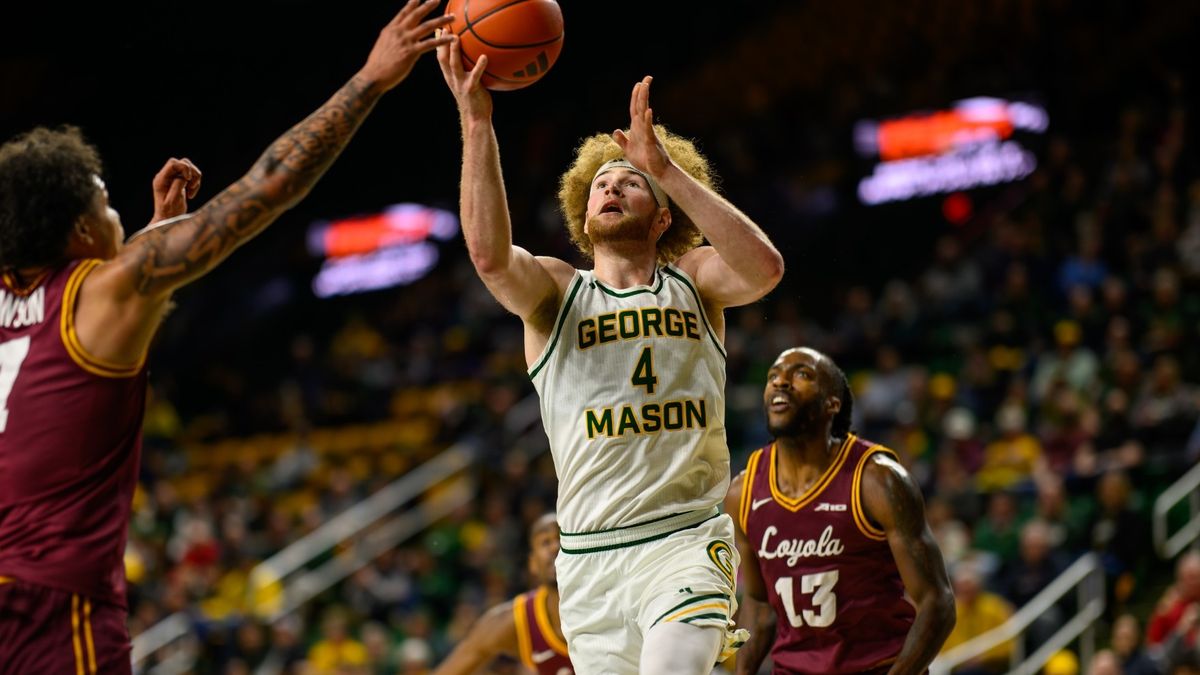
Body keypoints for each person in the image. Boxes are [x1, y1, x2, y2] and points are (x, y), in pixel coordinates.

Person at [0, 3, 454, 672]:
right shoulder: (106, 289)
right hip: (52, 608)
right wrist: (370, 80)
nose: (116, 214)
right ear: (77, 231)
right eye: (104, 204)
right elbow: (268, 187)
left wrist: (156, 230)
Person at [436, 37, 785, 674]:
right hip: (590, 560)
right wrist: (477, 121)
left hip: (684, 538)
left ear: (661, 218)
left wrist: (669, 170)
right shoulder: (556, 291)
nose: (613, 187)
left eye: (632, 181)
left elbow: (764, 269)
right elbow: (488, 256)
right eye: (602, 182)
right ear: (584, 208)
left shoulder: (695, 279)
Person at [728, 347, 956, 674]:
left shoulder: (877, 480)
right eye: (773, 377)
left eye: (802, 375)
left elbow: (938, 603)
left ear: (832, 403)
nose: (781, 383)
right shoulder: (743, 492)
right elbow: (759, 607)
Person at [433, 514, 573, 675]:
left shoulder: (606, 598)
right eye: (545, 542)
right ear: (532, 564)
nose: (555, 547)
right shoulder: (518, 619)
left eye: (562, 538)